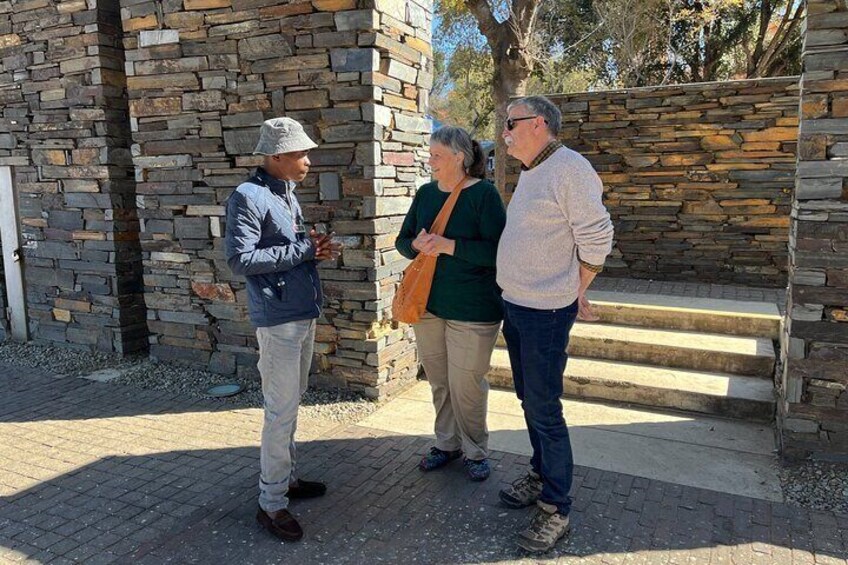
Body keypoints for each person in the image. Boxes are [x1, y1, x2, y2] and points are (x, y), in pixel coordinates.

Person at [495, 96, 614, 553]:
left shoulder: (570, 168)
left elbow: (597, 237)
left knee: (544, 408)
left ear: (539, 123)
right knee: (529, 399)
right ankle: (541, 473)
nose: (504, 131)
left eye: (511, 122)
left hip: (545, 312)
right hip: (518, 306)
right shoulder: (534, 170)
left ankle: (555, 507)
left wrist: (575, 288)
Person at [225, 117, 340, 542]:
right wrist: (304, 249)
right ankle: (271, 504)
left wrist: (313, 251)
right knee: (280, 412)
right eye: (300, 153)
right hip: (278, 321)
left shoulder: (285, 192)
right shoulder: (247, 197)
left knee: (292, 404)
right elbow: (240, 261)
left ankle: (286, 481)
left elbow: (286, 251)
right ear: (275, 156)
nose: (308, 161)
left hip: (300, 313)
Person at [395, 126, 507, 482]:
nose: (430, 161)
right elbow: (402, 240)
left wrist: (449, 246)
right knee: (440, 382)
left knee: (467, 385)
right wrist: (417, 245)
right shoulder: (426, 193)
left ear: (459, 157)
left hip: (474, 310)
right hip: (428, 306)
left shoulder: (484, 196)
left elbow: (500, 253)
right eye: (430, 155)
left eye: (436, 155)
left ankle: (475, 449)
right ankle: (446, 443)